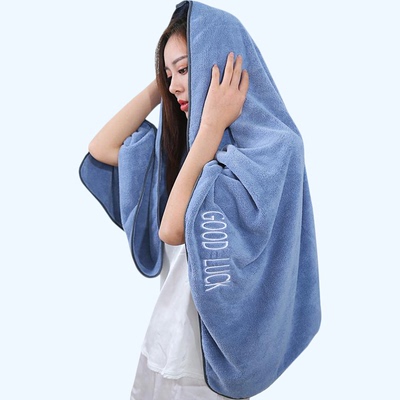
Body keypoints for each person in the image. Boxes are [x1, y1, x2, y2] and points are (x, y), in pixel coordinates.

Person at [80, 1, 321, 399]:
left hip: (219, 354)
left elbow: (171, 229)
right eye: (169, 74)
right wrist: (163, 86)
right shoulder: (186, 148)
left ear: (219, 61)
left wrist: (211, 126)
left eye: (186, 69)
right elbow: (101, 147)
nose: (175, 86)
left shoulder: (275, 151)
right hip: (170, 339)